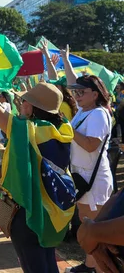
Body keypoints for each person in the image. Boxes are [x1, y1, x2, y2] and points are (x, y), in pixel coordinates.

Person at [0, 46, 76, 273]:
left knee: (33, 265)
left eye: (25, 101)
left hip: (27, 213)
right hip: (54, 211)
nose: (20, 104)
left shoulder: (26, 130)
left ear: (34, 108)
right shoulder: (63, 129)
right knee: (47, 263)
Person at [62, 46, 114, 273]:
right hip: (83, 174)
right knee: (87, 226)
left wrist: (68, 129)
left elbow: (91, 144)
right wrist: (65, 60)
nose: (76, 95)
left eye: (81, 92)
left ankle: (99, 268)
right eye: (75, 93)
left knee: (94, 230)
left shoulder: (99, 113)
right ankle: (90, 265)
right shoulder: (84, 111)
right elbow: (74, 81)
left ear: (95, 93)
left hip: (94, 179)